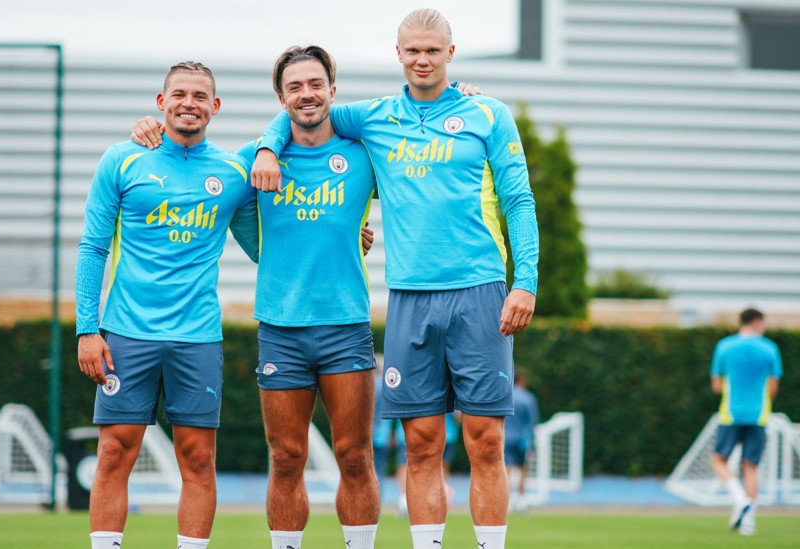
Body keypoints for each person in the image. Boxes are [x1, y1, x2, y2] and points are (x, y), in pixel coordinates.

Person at [250, 9, 539, 549]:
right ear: (399, 55)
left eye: (433, 50)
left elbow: (520, 201)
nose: (423, 59)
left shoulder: (488, 114)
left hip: (479, 292)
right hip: (408, 298)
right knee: (421, 445)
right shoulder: (373, 117)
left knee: (486, 441)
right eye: (413, 50)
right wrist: (267, 146)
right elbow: (304, 110)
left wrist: (526, 281)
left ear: (450, 53)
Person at [132, 45, 383, 549]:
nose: (306, 94)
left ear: (332, 91)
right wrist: (149, 135)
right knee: (286, 457)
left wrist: (459, 100)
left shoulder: (365, 155)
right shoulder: (250, 160)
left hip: (346, 326)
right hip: (281, 330)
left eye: (316, 85)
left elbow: (422, 171)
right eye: (294, 87)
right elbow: (189, 169)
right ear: (281, 97)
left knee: (354, 455)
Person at [75, 61, 260, 549]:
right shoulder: (121, 159)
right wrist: (86, 330)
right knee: (115, 453)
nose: (189, 103)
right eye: (179, 94)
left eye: (200, 96)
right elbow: (93, 247)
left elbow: (264, 248)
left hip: (196, 336)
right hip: (126, 334)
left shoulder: (233, 172)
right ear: (161, 103)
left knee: (198, 459)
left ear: (215, 107)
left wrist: (348, 238)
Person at [710, 308, 783, 537]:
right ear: (758, 321)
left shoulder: (724, 346)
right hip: (759, 415)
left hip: (730, 414)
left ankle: (739, 498)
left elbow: (716, 385)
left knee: (719, 460)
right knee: (751, 466)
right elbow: (772, 389)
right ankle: (749, 521)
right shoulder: (770, 348)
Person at [504, 370, 539, 513]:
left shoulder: (504, 395)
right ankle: (521, 499)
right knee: (524, 468)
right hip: (522, 439)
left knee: (506, 468)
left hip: (505, 437)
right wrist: (533, 443)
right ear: (522, 380)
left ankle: (507, 499)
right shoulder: (528, 398)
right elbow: (532, 422)